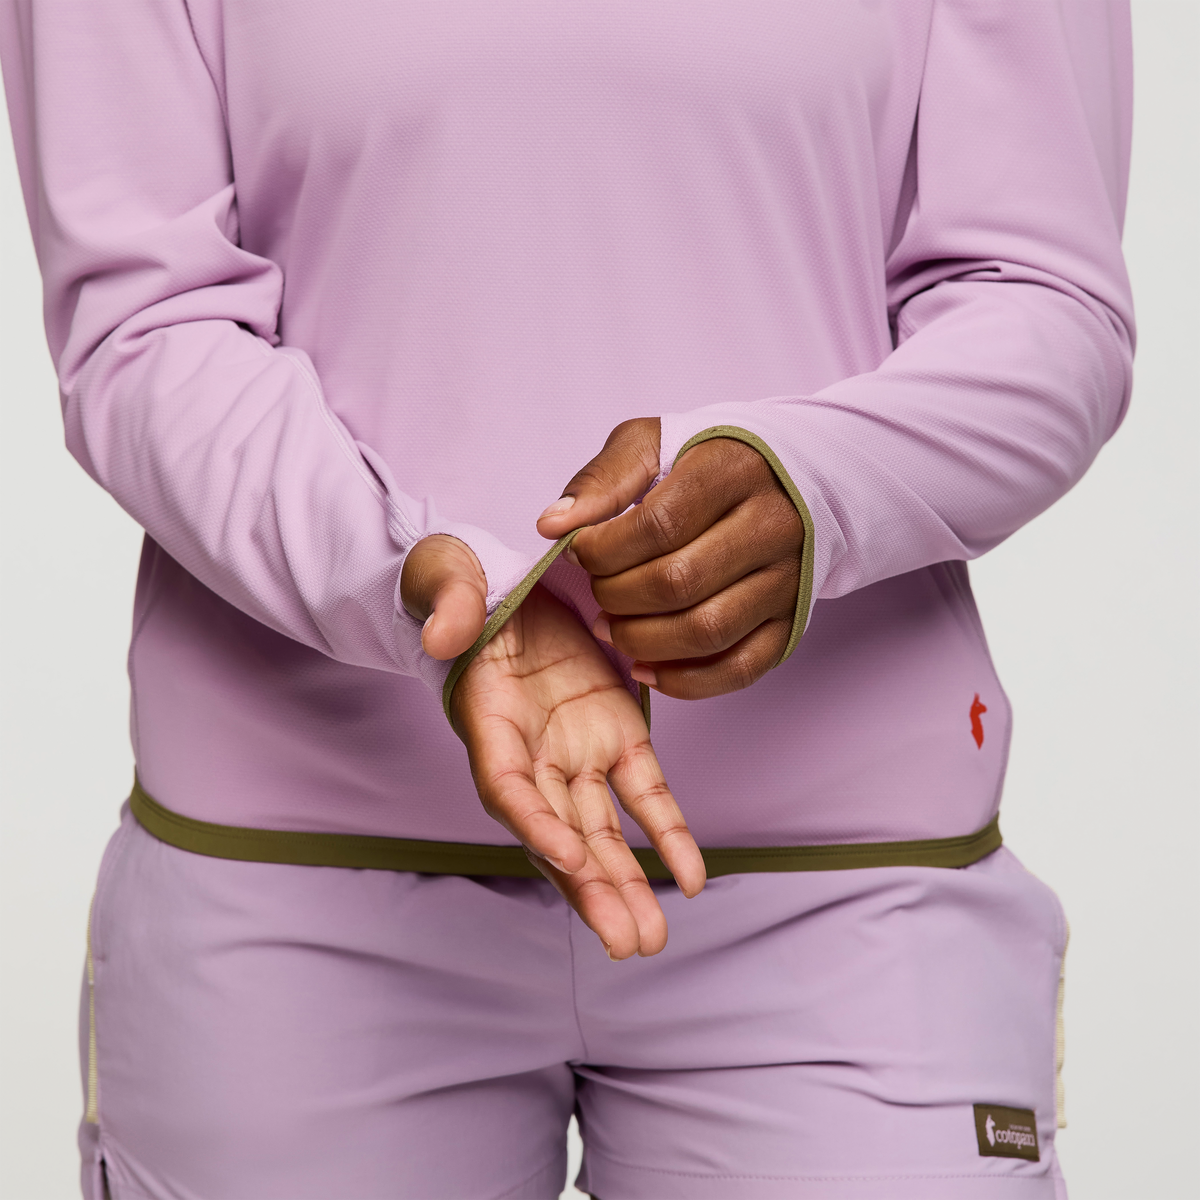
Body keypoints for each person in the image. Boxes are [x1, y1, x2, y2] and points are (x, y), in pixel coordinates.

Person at [0, 2, 1133, 1196]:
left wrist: (810, 485)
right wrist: (408, 574)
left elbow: (1044, 299)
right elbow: (145, 327)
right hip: (293, 879)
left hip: (846, 881)